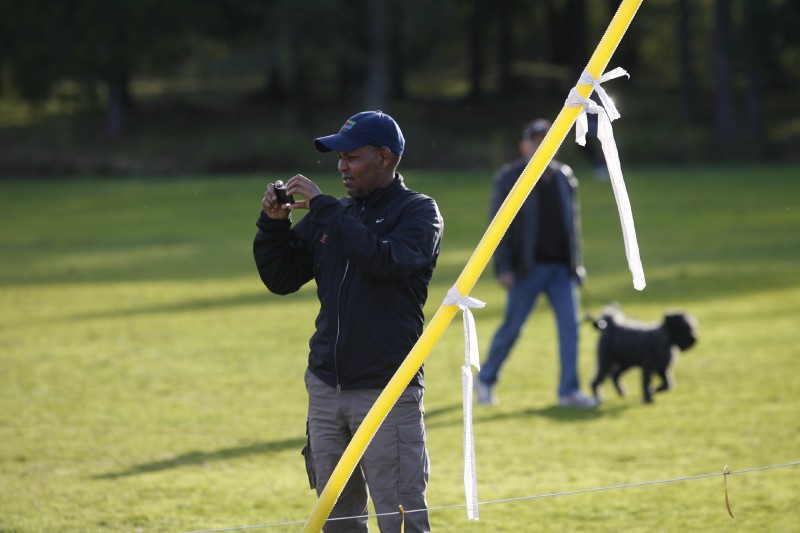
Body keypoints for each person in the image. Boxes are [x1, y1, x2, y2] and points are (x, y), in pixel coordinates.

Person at [253, 110, 443, 532]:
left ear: (384, 157)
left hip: (386, 390)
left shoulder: (419, 213)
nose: (341, 167)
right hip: (324, 388)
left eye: (351, 157)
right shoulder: (333, 216)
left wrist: (324, 211)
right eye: (338, 158)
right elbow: (281, 279)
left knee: (402, 519)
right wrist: (273, 226)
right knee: (336, 520)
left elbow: (384, 260)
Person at [475, 118, 597, 409]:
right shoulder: (509, 177)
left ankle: (568, 391)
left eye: (547, 139)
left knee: (571, 329)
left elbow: (572, 225)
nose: (541, 144)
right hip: (526, 269)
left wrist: (576, 265)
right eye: (535, 139)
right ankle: (486, 379)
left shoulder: (564, 176)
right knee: (512, 328)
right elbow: (497, 226)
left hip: (560, 270)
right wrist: (503, 267)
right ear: (524, 145)